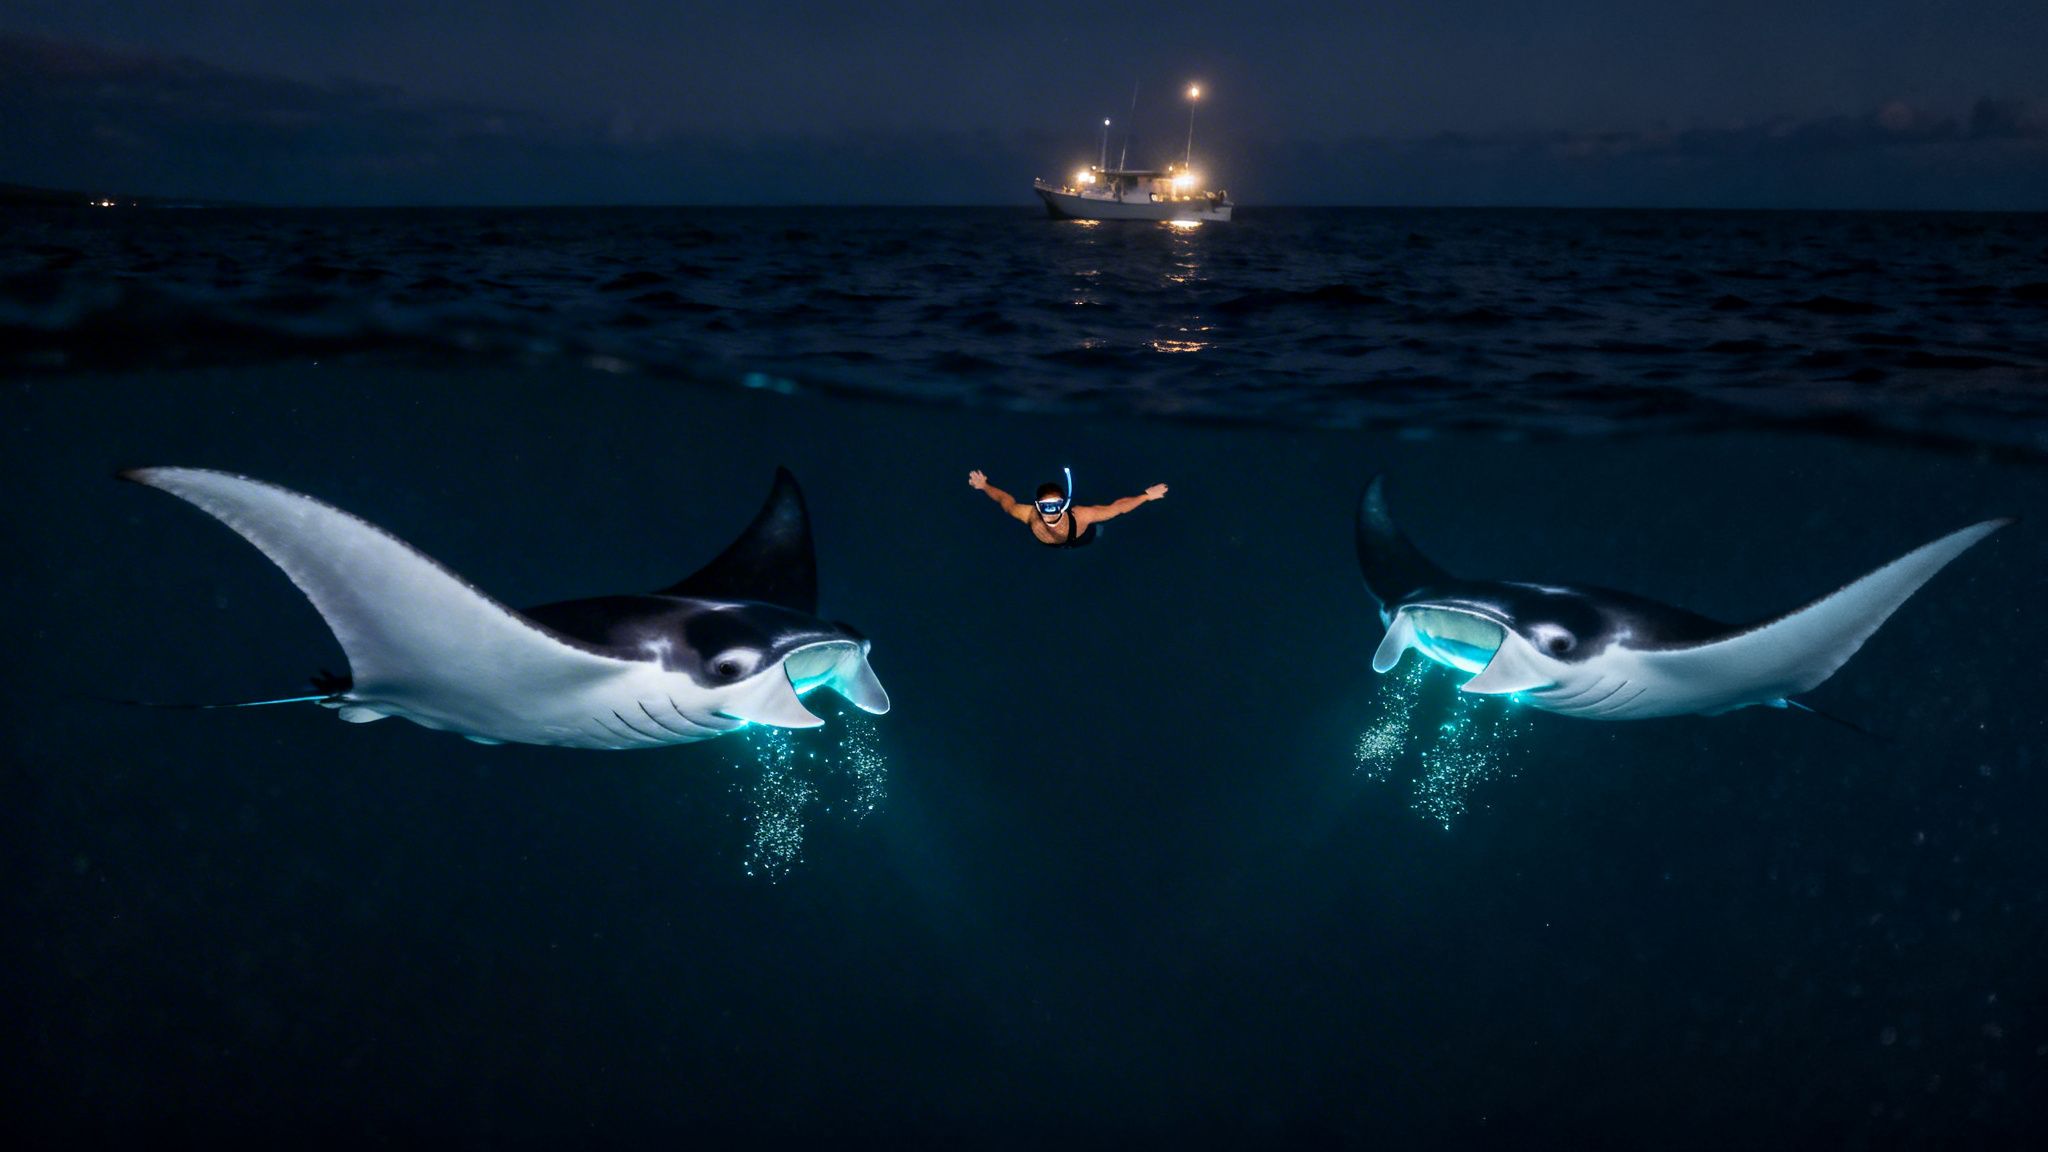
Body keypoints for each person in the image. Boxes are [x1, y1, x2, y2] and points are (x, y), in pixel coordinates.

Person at [967, 468, 1168, 548]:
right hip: (1048, 543)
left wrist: (1146, 496)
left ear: (1064, 505)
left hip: (1081, 537)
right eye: (1046, 507)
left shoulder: (1081, 515)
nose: (1052, 513)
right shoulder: (1026, 514)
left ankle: (1098, 532)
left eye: (1057, 506)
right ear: (1037, 506)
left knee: (1095, 530)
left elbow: (1118, 508)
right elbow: (1005, 500)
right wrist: (984, 486)